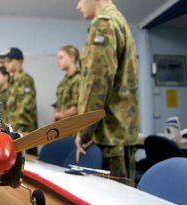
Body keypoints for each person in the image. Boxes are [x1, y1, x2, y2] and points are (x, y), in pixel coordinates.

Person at [75, 0, 139, 185]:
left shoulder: (103, 24)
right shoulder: (119, 21)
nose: (78, 6)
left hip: (108, 136)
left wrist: (84, 130)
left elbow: (97, 83)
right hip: (118, 132)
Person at [0, 47, 38, 155]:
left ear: (20, 61)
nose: (6, 64)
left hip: (24, 134)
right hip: (13, 132)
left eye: (9, 61)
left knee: (25, 167)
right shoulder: (12, 81)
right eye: (5, 61)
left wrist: (19, 132)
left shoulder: (25, 79)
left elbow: (25, 107)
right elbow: (10, 110)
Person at [53, 45, 81, 121]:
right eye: (57, 58)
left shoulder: (79, 79)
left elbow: (76, 108)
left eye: (61, 58)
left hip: (73, 126)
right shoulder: (63, 82)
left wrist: (58, 115)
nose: (58, 61)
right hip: (62, 126)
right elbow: (58, 105)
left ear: (72, 58)